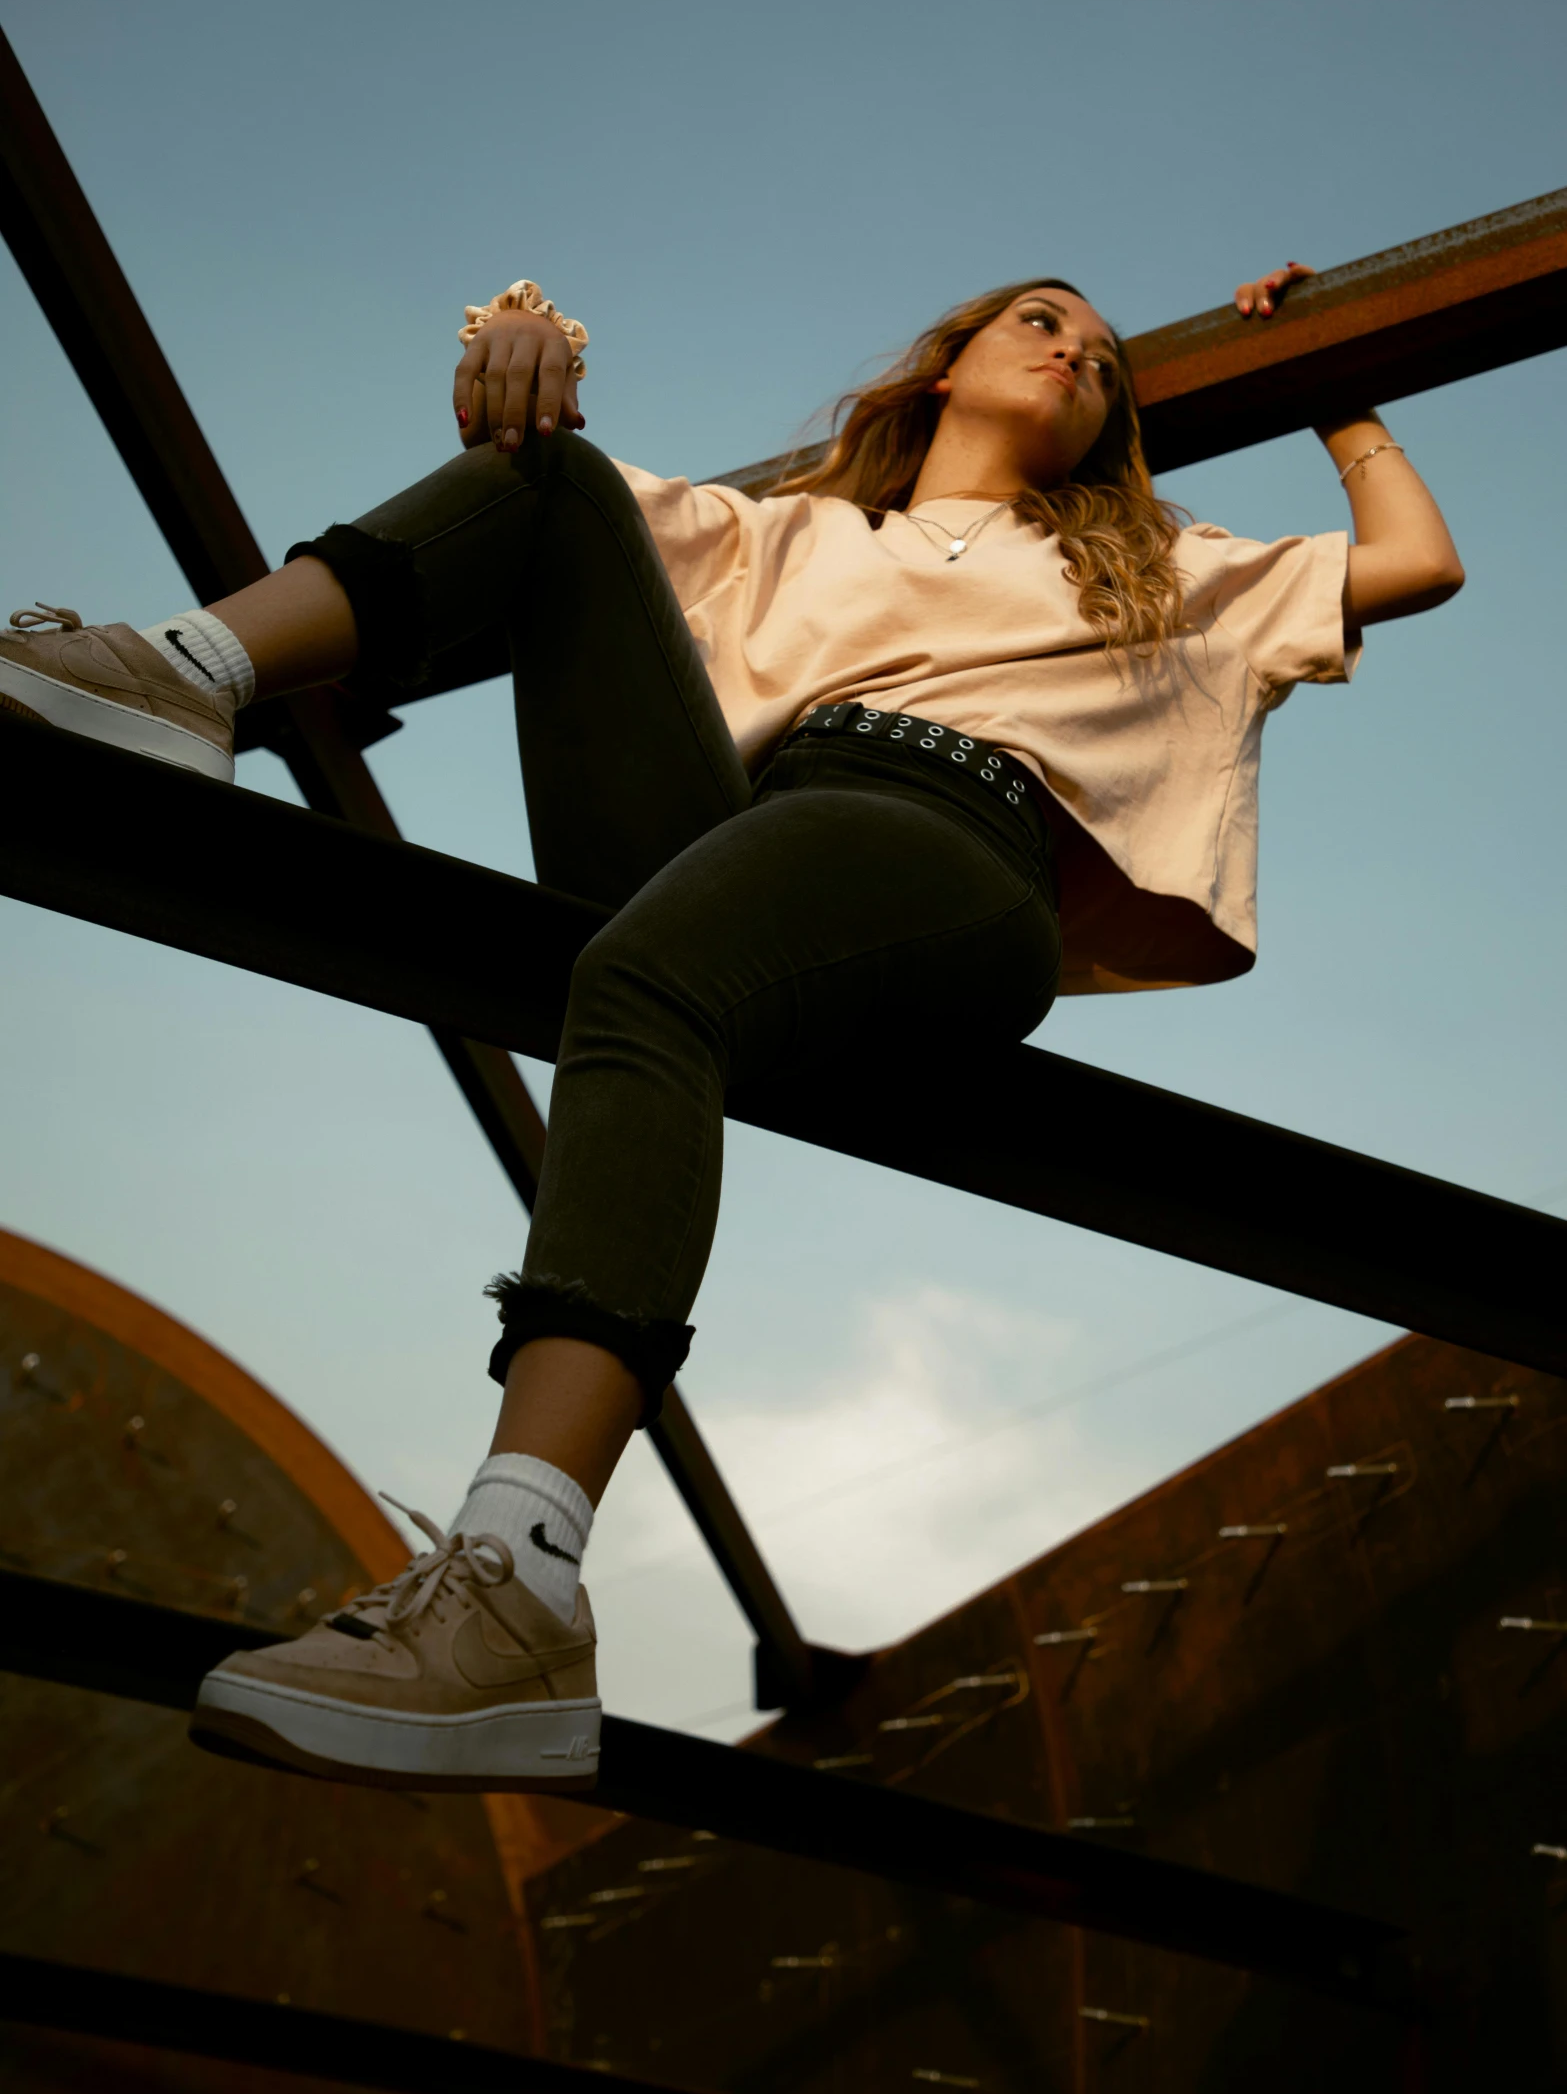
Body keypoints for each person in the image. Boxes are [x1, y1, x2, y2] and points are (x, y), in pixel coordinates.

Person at [0, 262, 1464, 1792]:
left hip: (947, 843)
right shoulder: (790, 533)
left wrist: (1325, 392)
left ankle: (515, 1582)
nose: (1076, 352)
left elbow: (1410, 563)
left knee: (642, 989)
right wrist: (530, 336)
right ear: (946, 362)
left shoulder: (1156, 560)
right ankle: (189, 674)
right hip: (732, 841)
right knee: (553, 488)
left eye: (1104, 359)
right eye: (1041, 322)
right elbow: (536, 498)